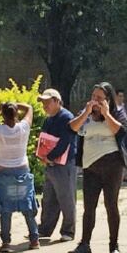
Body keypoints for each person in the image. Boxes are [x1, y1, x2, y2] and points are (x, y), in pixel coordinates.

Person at [68, 82, 127, 253]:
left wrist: (106, 113)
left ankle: (113, 244)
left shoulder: (118, 113)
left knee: (111, 205)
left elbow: (122, 131)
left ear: (108, 100)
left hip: (112, 165)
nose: (95, 100)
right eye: (93, 96)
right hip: (90, 167)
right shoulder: (85, 114)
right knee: (89, 207)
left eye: (99, 98)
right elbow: (71, 128)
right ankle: (84, 245)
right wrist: (86, 113)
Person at [0, 102, 38, 252]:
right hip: (22, 170)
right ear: (16, 114)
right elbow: (30, 108)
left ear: (3, 115)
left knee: (5, 208)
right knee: (27, 206)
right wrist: (16, 104)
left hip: (4, 170)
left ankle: (6, 242)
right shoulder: (23, 128)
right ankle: (34, 239)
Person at [37, 88, 77, 243]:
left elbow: (65, 142)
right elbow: (43, 139)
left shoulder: (66, 117)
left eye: (47, 102)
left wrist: (50, 156)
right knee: (48, 198)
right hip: (50, 163)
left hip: (64, 164)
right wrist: (42, 156)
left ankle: (68, 231)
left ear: (56, 101)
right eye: (43, 102)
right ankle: (45, 229)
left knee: (66, 198)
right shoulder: (48, 119)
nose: (44, 105)